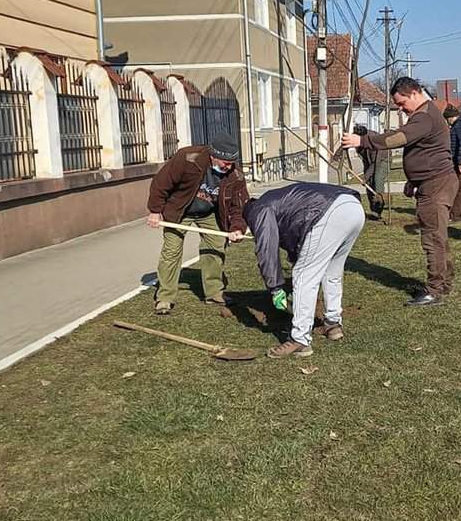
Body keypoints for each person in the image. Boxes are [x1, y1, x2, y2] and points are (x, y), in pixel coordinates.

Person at [340, 77, 457, 307]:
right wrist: (414, 180)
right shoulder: (427, 114)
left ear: (414, 93)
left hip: (436, 186)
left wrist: (361, 140)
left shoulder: (424, 117)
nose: (401, 110)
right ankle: (443, 283)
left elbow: (398, 138)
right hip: (433, 182)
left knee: (433, 239)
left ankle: (434, 290)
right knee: (439, 237)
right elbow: (425, 150)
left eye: (402, 104)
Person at [244, 183, 365, 358]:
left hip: (327, 212)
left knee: (303, 276)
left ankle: (300, 339)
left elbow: (267, 249)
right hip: (353, 207)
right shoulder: (276, 200)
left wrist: (276, 287)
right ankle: (333, 324)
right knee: (332, 271)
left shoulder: (259, 210)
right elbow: (298, 234)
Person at [146, 131, 249, 315]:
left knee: (216, 246)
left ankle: (214, 292)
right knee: (171, 251)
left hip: (209, 212)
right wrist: (155, 210)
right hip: (179, 211)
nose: (228, 166)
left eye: (232, 163)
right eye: (225, 162)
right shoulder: (187, 159)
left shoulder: (236, 176)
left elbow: (238, 207)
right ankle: (165, 298)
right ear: (213, 156)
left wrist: (237, 228)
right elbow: (161, 183)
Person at [355, 125, 387, 218]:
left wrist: (365, 177)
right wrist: (338, 154)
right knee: (368, 184)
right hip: (368, 159)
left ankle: (378, 210)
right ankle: (373, 210)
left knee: (377, 181)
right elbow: (346, 142)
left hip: (382, 159)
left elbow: (375, 164)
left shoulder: (374, 142)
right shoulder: (356, 135)